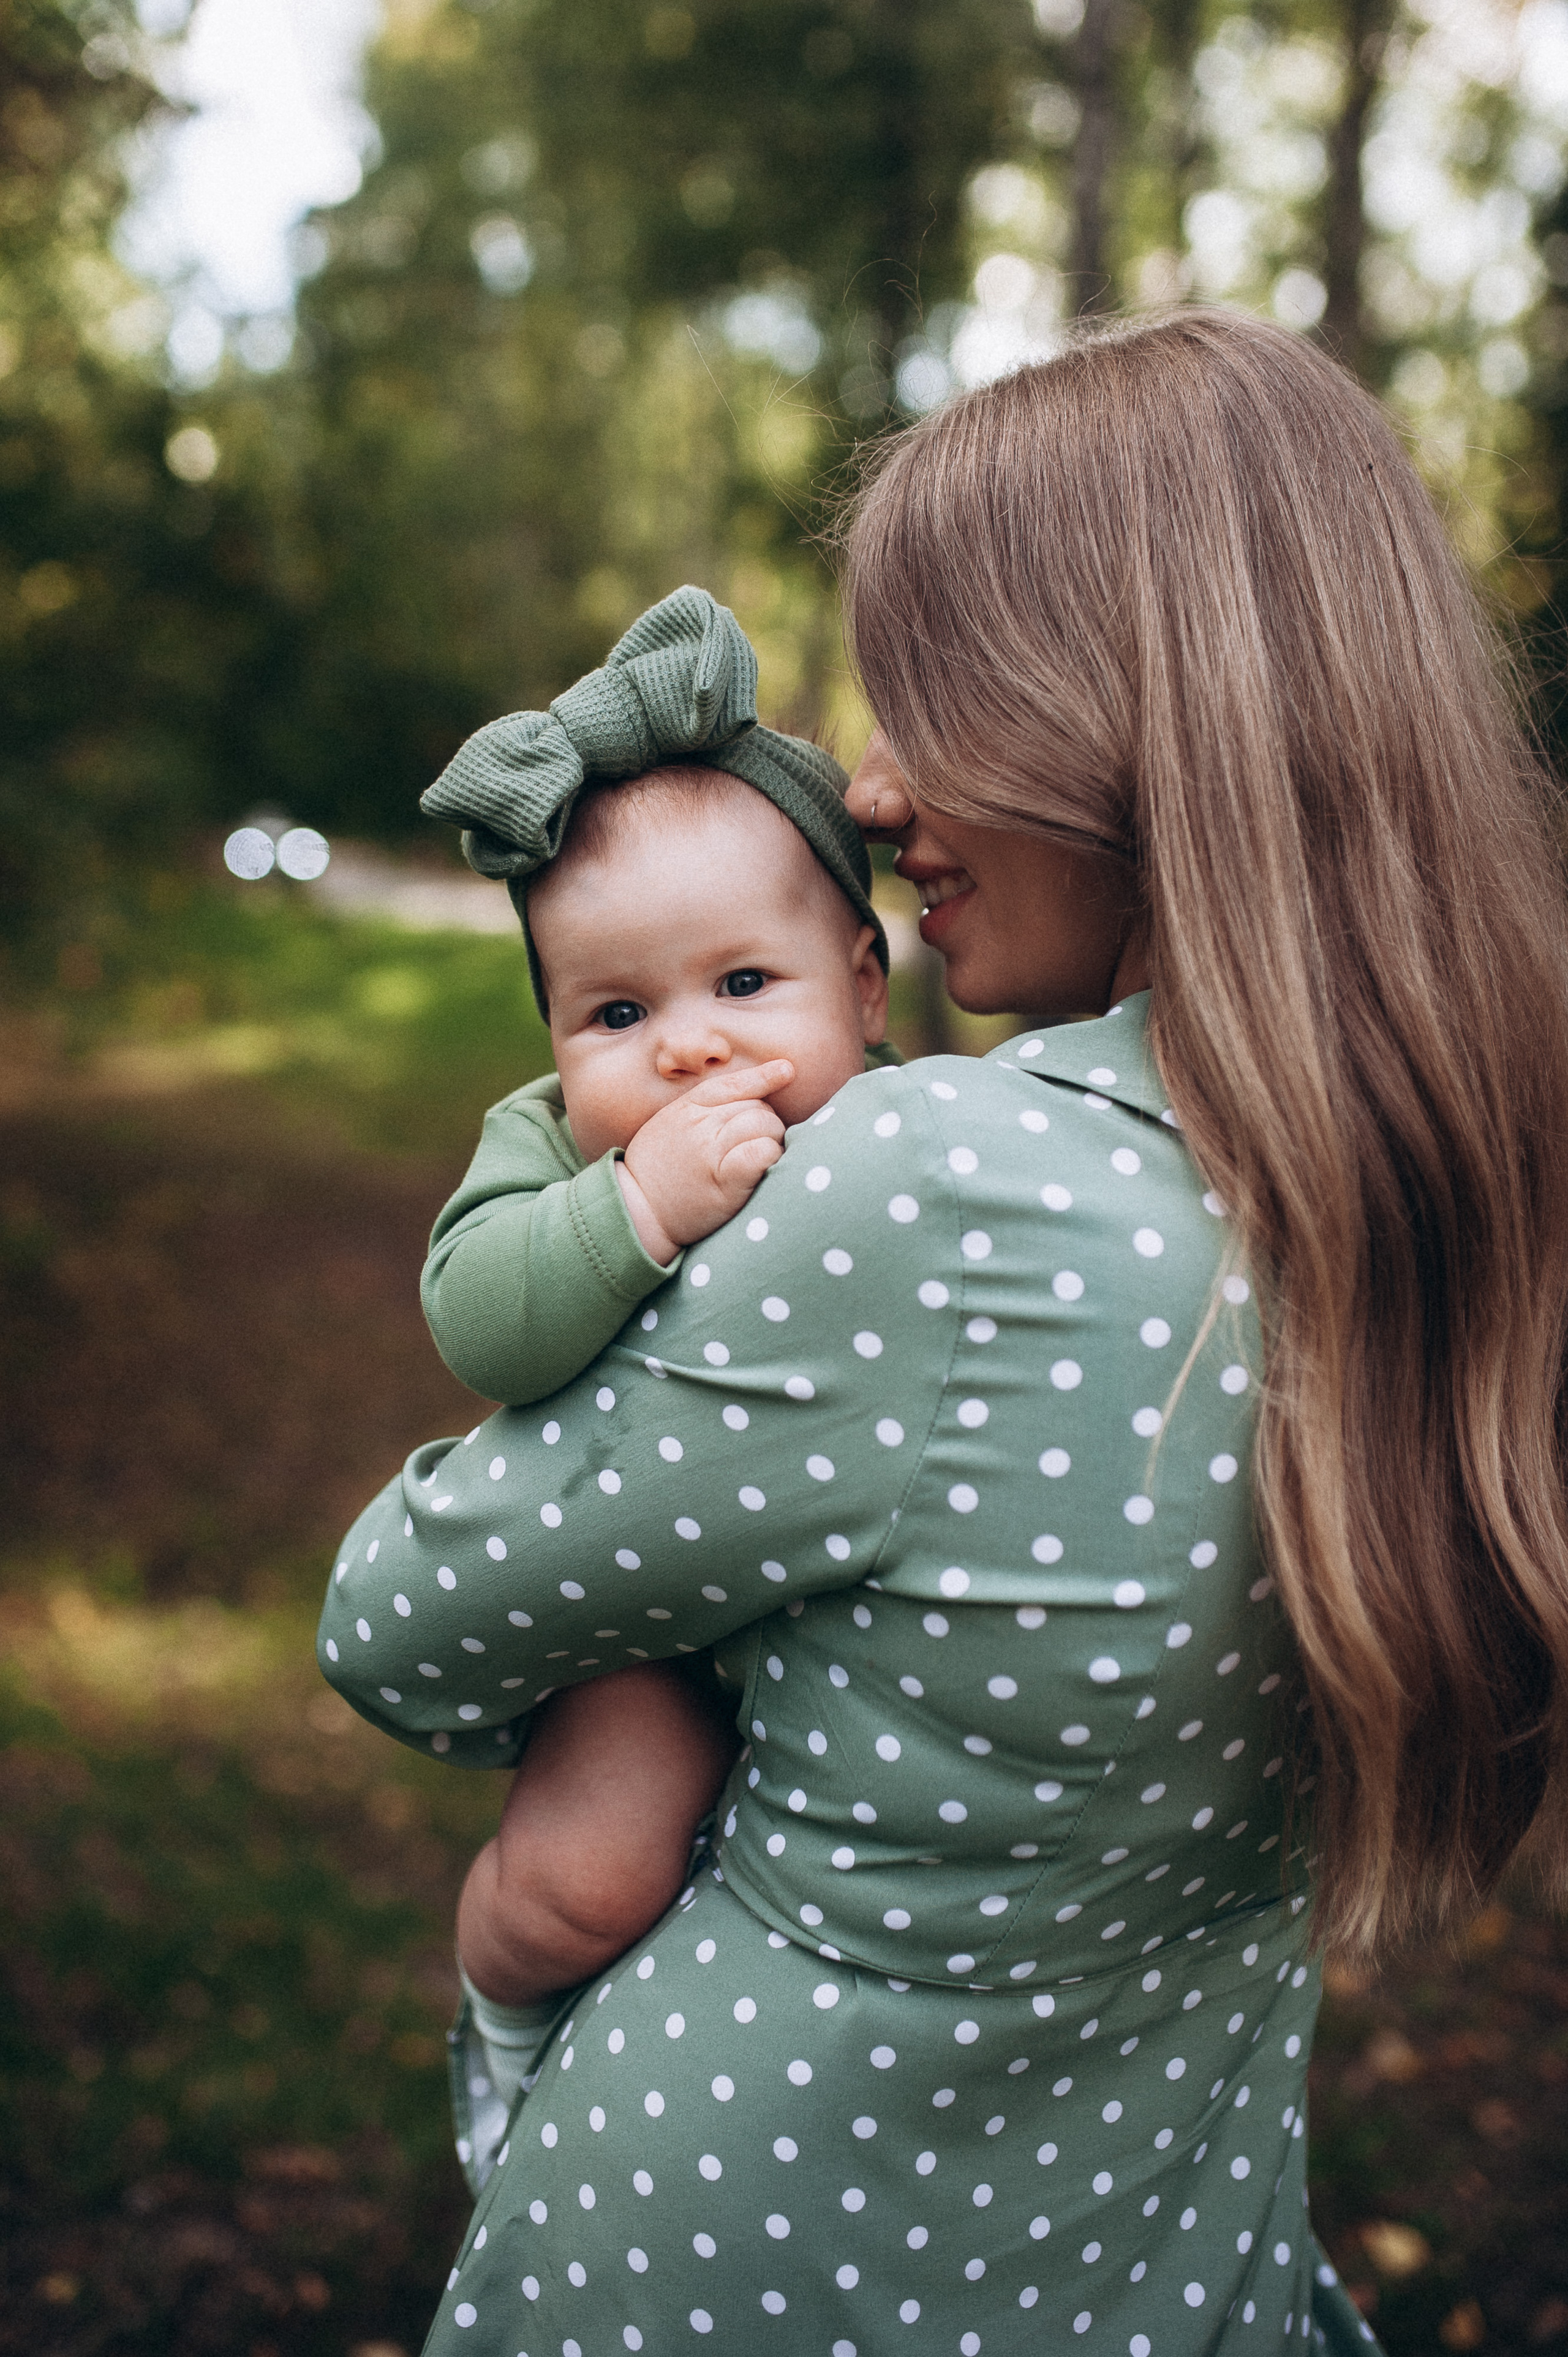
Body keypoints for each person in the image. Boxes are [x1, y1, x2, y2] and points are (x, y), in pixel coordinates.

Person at [318, 309, 1568, 2357]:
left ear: (1143, 728)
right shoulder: (1449, 1189)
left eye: (939, 713)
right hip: (1167, 2259)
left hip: (742, 2261)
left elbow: (403, 1617)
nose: (878, 797)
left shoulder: (936, 1189)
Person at [413, 588, 897, 2189]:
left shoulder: (910, 1134)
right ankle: (504, 2015)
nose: (688, 1050)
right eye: (619, 1014)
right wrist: (632, 1213)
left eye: (744, 986)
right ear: (556, 1040)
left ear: (865, 987)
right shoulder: (555, 1144)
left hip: (847, 1593)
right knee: (596, 1873)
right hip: (649, 1621)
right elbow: (478, 1322)